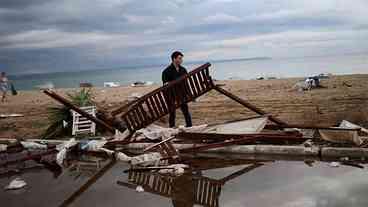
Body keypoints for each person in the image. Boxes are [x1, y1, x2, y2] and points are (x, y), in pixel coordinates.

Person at [162, 51, 192, 128]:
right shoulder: (166, 71)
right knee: (172, 113)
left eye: (182, 58)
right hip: (171, 96)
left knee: (186, 112)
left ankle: (189, 127)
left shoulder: (183, 69)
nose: (181, 60)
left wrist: (189, 94)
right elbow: (165, 85)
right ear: (174, 59)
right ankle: (171, 128)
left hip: (182, 94)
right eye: (179, 58)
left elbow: (186, 84)